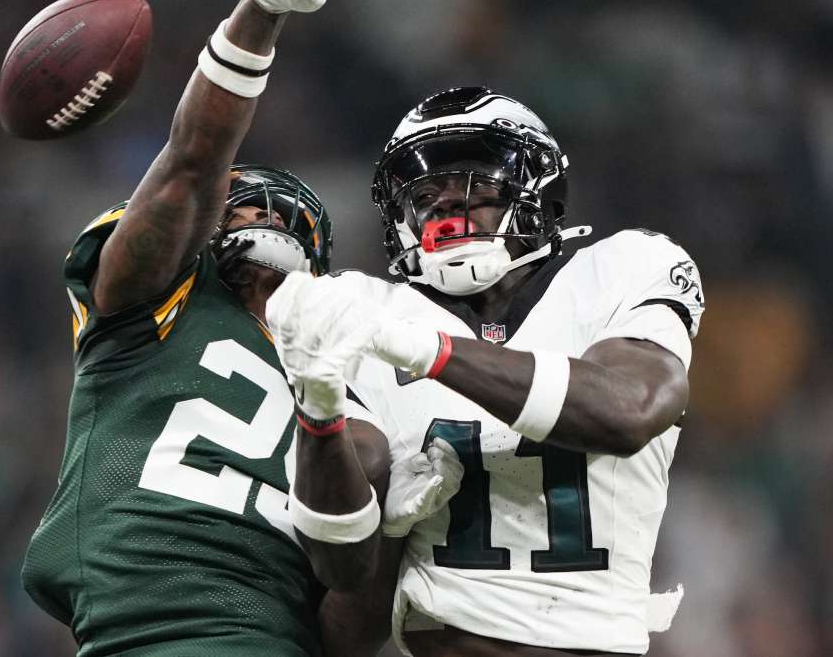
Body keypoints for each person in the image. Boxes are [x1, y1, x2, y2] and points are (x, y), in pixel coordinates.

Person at [20, 0, 402, 655]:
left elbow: (349, 619)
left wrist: (393, 523)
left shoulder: (352, 372)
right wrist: (258, 13)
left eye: (270, 205)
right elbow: (194, 160)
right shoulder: (155, 303)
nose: (259, 213)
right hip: (135, 623)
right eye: (241, 203)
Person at [267, 86, 704, 656]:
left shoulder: (622, 267)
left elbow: (628, 411)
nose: (446, 205)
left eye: (474, 182)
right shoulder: (371, 308)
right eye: (425, 193)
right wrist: (319, 410)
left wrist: (425, 350)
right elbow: (342, 577)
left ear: (537, 192)